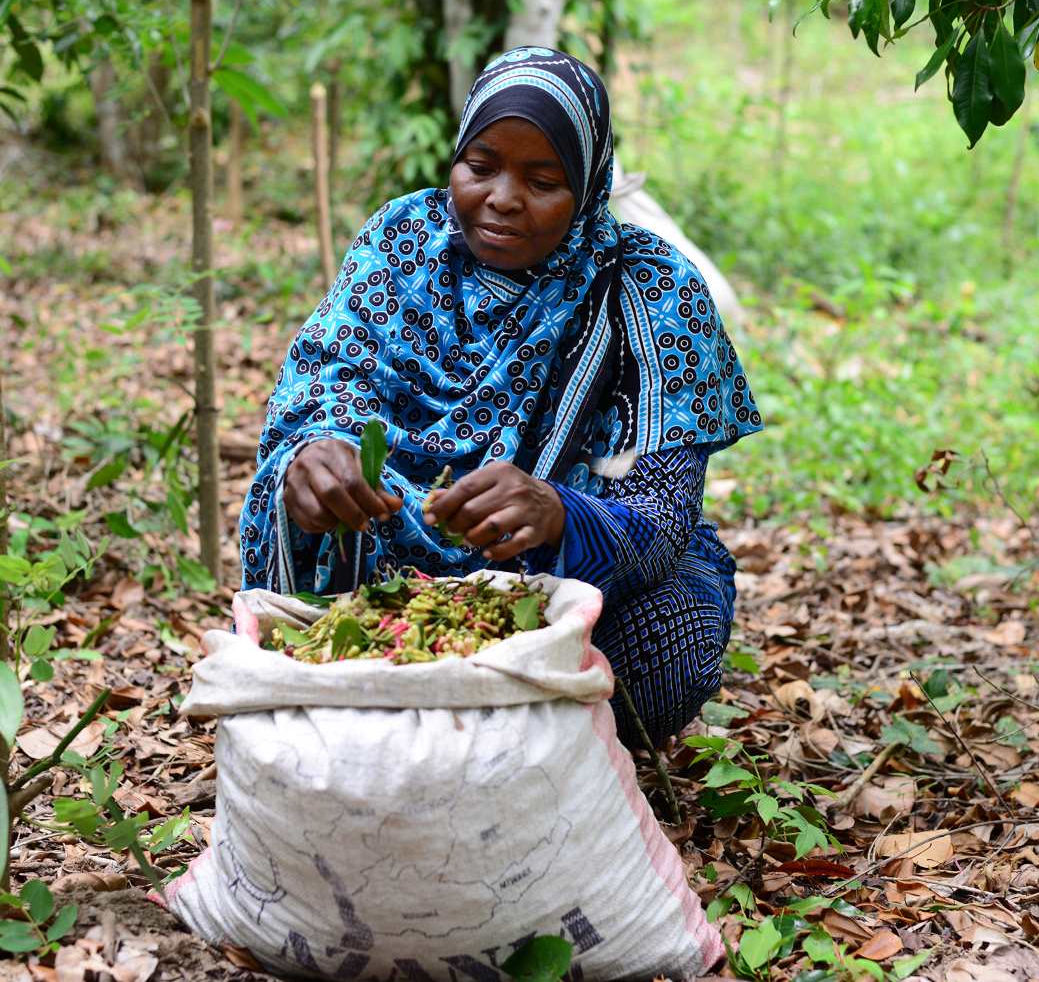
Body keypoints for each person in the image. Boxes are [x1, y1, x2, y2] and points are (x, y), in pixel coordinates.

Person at [239, 47, 762, 743]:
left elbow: (662, 514)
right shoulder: (402, 239)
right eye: (480, 167)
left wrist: (557, 513)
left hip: (564, 568)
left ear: (587, 185)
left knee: (673, 641)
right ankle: (351, 710)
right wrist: (322, 452)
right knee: (294, 486)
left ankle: (520, 739)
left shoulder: (653, 288)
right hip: (392, 537)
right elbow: (334, 371)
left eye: (543, 179)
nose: (502, 198)